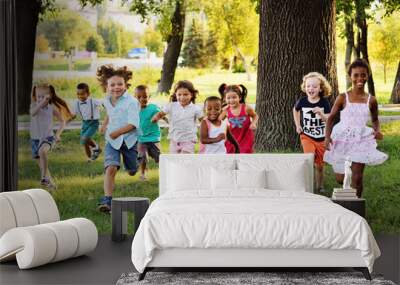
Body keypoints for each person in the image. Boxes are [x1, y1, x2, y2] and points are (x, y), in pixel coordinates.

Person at [324, 59, 388, 198]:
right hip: (342, 137)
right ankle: (346, 193)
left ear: (367, 76)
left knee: (357, 178)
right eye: (356, 75)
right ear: (350, 76)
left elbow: (375, 120)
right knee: (341, 179)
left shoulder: (371, 100)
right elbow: (330, 118)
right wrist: (327, 137)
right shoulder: (343, 97)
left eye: (363, 75)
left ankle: (356, 207)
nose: (360, 78)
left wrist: (377, 131)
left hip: (361, 138)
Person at [96, 65, 141, 212]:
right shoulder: (107, 100)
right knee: (111, 168)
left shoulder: (132, 102)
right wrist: (105, 125)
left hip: (129, 141)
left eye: (120, 84)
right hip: (112, 141)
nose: (116, 87)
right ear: (106, 86)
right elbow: (111, 113)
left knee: (132, 170)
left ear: (126, 84)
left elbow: (133, 124)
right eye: (112, 84)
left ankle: (137, 162)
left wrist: (116, 132)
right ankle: (107, 200)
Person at [293, 72, 332, 193]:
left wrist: (320, 113)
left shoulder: (324, 102)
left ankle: (319, 186)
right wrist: (298, 125)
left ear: (320, 88)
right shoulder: (302, 101)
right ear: (305, 87)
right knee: (309, 160)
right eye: (308, 86)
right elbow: (295, 110)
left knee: (319, 166)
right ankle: (307, 187)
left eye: (314, 86)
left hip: (321, 138)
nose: (311, 89)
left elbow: (329, 118)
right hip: (307, 136)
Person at [30, 83, 73, 190]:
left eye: (43, 96)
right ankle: (51, 184)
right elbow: (33, 113)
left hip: (48, 138)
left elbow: (62, 122)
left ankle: (44, 177)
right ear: (35, 96)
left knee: (42, 152)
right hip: (35, 139)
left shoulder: (51, 108)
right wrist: (40, 103)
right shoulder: (34, 106)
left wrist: (57, 134)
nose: (41, 99)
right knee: (42, 165)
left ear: (49, 96)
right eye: (38, 96)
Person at [151, 80, 203, 154]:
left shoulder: (195, 108)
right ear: (176, 94)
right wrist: (156, 117)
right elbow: (161, 113)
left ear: (191, 94)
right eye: (179, 94)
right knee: (174, 160)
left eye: (185, 94)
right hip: (174, 140)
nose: (182, 97)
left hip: (189, 140)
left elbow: (203, 121)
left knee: (185, 158)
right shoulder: (172, 106)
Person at [218, 84, 258, 153]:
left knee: (245, 153)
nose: (231, 100)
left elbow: (255, 116)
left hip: (246, 138)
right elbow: (218, 121)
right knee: (231, 154)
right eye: (228, 98)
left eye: (234, 97)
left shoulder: (246, 108)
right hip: (232, 138)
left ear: (239, 97)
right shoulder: (226, 110)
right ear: (225, 99)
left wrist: (253, 123)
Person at [135, 85, 162, 181]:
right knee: (142, 156)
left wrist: (161, 118)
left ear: (149, 96)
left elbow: (160, 114)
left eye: (145, 96)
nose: (142, 99)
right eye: (139, 97)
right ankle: (142, 174)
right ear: (135, 97)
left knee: (159, 157)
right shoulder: (134, 110)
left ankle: (164, 173)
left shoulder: (153, 108)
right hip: (141, 139)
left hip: (154, 138)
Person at [71, 83, 102, 162]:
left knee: (85, 139)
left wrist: (102, 107)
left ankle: (96, 147)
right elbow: (74, 115)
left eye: (82, 94)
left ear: (88, 94)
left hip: (93, 123)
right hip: (85, 123)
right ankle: (90, 158)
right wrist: (66, 120)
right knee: (85, 143)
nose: (80, 96)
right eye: (78, 94)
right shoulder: (77, 103)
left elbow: (102, 104)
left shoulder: (93, 101)